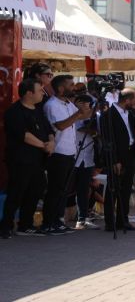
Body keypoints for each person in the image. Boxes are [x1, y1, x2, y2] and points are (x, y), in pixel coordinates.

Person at [1, 79, 54, 239]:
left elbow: (48, 128)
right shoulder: (14, 111)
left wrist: (51, 141)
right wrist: (43, 145)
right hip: (21, 160)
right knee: (16, 192)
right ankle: (6, 226)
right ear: (28, 93)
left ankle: (26, 224)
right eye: (39, 90)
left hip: (38, 160)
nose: (42, 93)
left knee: (36, 190)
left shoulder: (38, 110)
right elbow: (24, 135)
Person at [43, 75, 92, 235]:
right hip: (58, 153)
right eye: (70, 85)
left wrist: (92, 108)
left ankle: (58, 220)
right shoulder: (52, 105)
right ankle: (49, 222)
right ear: (60, 88)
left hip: (71, 152)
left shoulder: (67, 103)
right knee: (55, 189)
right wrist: (78, 113)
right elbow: (61, 125)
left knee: (63, 189)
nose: (74, 88)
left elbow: (83, 116)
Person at [99, 88, 135, 232]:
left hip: (130, 153)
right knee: (113, 189)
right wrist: (114, 160)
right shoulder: (109, 115)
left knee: (126, 189)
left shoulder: (130, 113)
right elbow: (108, 139)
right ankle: (110, 222)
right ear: (127, 100)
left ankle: (123, 220)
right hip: (117, 155)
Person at [73, 93, 100, 230]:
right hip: (72, 155)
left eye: (88, 104)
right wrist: (94, 131)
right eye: (81, 102)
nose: (85, 106)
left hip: (87, 157)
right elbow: (81, 128)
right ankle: (57, 219)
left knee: (84, 189)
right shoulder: (73, 114)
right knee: (65, 189)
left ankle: (82, 219)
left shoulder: (95, 116)